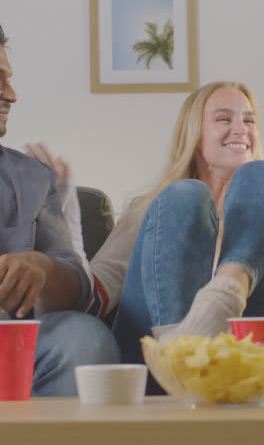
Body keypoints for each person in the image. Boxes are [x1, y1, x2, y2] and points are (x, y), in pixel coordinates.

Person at [27, 82, 264, 391]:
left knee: (258, 179)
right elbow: (90, 301)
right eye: (223, 119)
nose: (240, 129)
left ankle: (221, 302)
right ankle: (183, 355)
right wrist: (63, 218)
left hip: (240, 366)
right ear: (193, 136)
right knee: (187, 196)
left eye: (249, 120)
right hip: (154, 366)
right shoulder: (156, 209)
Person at [0, 25, 120, 396]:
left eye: (9, 79)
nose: (12, 95)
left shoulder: (33, 177)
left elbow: (77, 289)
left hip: (12, 344)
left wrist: (42, 267)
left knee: (83, 337)